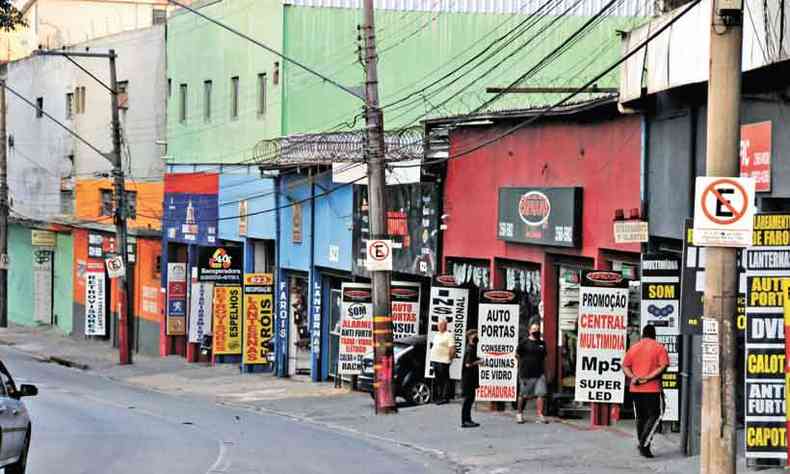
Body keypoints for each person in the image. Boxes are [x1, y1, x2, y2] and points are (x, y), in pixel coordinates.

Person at [623, 324, 669, 458]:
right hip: (653, 389)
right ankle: (644, 444)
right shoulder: (659, 347)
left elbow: (625, 366)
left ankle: (644, 444)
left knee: (641, 417)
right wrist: (648, 377)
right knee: (656, 414)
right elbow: (663, 366)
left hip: (635, 389)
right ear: (654, 335)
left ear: (643, 334)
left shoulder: (634, 347)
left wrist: (634, 377)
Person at [516, 321, 549, 424]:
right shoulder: (524, 342)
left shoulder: (542, 343)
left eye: (538, 329)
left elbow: (544, 357)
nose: (536, 331)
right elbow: (517, 354)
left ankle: (540, 415)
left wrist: (545, 372)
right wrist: (523, 364)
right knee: (523, 395)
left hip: (539, 373)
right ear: (529, 331)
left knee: (541, 394)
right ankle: (519, 414)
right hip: (526, 373)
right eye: (534, 329)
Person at [430, 319, 455, 405]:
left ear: (445, 326)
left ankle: (445, 398)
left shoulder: (449, 335)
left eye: (441, 325)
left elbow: (452, 349)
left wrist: (450, 359)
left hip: (443, 360)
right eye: (438, 325)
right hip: (435, 360)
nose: (439, 327)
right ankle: (439, 397)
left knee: (444, 380)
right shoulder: (437, 334)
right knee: (438, 380)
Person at [461, 329, 483, 427]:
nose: (477, 337)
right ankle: (465, 420)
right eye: (475, 335)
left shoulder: (472, 347)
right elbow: (468, 364)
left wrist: (477, 359)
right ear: (470, 337)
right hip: (468, 378)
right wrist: (479, 362)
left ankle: (468, 419)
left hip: (471, 378)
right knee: (468, 399)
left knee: (470, 399)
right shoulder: (470, 348)